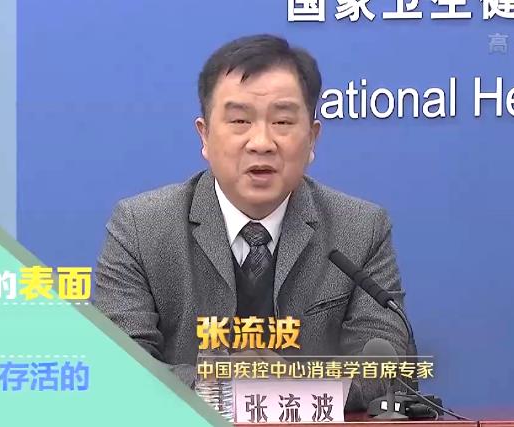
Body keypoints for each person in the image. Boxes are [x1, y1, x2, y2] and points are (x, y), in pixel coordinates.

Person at [94, 34, 409, 411]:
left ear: (312, 138)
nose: (261, 142)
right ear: (204, 135)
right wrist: (225, 384)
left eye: (282, 121)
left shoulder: (360, 228)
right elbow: (120, 368)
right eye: (240, 120)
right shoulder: (140, 228)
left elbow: (387, 367)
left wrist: (291, 384)